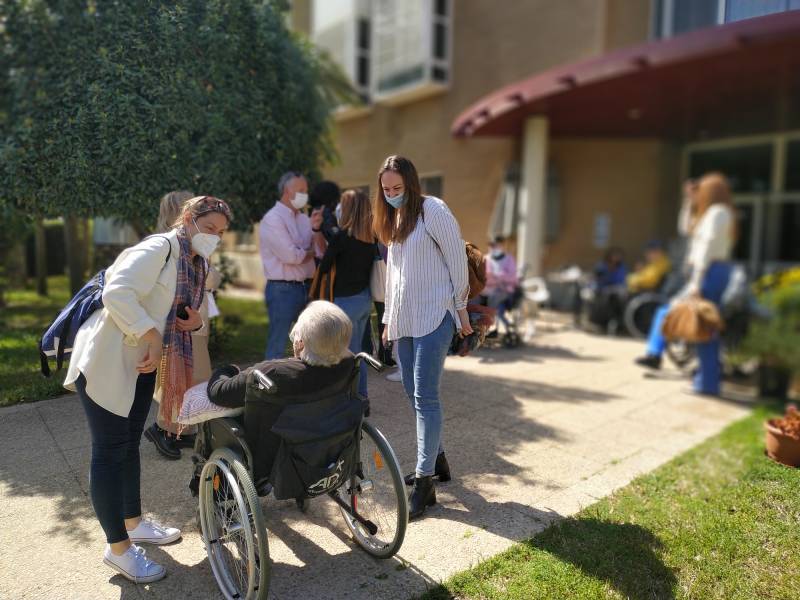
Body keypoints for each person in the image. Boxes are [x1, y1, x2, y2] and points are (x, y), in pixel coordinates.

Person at [63, 196, 232, 583]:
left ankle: (133, 523)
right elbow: (117, 291)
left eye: (221, 233)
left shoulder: (194, 262)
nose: (214, 238)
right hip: (108, 363)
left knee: (127, 445)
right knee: (108, 452)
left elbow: (180, 308)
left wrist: (189, 323)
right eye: (209, 229)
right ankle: (118, 549)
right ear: (188, 219)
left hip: (141, 364)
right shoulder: (159, 247)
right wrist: (151, 331)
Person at [375, 155, 472, 520]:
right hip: (406, 320)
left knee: (426, 396)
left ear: (411, 184)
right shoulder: (395, 218)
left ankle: (425, 481)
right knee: (411, 394)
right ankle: (438, 459)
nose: (392, 195)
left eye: (397, 188)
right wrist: (387, 320)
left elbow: (457, 261)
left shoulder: (434, 210)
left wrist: (461, 310)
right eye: (386, 190)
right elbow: (394, 276)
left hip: (436, 314)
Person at [206, 301, 357, 491]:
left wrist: (225, 370)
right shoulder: (349, 363)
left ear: (301, 343)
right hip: (328, 449)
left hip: (272, 464)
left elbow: (217, 393)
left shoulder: (271, 374)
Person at [635, 173, 736, 396]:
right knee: (702, 325)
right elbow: (686, 229)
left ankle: (706, 382)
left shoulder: (717, 213)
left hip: (709, 273)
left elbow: (706, 249)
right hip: (710, 272)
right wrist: (688, 201)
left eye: (700, 190)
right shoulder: (715, 213)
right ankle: (705, 379)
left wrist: (696, 282)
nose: (697, 193)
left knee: (702, 325)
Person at [144, 191, 223, 460]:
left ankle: (180, 430)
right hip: (178, 327)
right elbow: (210, 279)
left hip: (193, 323)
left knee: (191, 378)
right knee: (180, 378)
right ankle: (163, 429)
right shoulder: (169, 248)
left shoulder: (193, 245)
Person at [259, 171, 326, 359]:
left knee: (309, 342)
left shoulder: (305, 219)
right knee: (278, 344)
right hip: (283, 290)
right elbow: (291, 256)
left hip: (308, 286)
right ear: (288, 191)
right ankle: (271, 385)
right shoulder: (272, 219)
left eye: (306, 190)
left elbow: (320, 250)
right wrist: (308, 252)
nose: (305, 194)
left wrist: (308, 248)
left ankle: (301, 384)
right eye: (301, 190)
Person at [318, 189, 376, 400]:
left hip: (345, 302)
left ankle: (349, 399)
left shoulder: (342, 237)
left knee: (344, 355)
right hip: (364, 299)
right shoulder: (371, 237)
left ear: (349, 209)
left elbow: (324, 266)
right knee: (358, 352)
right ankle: (361, 396)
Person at [483, 236, 518, 335]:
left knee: (494, 297)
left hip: (505, 290)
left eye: (496, 245)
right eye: (491, 245)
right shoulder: (486, 259)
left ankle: (490, 326)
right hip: (488, 288)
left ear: (502, 246)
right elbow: (485, 277)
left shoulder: (509, 259)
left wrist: (499, 278)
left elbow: (513, 278)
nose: (493, 248)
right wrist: (493, 280)